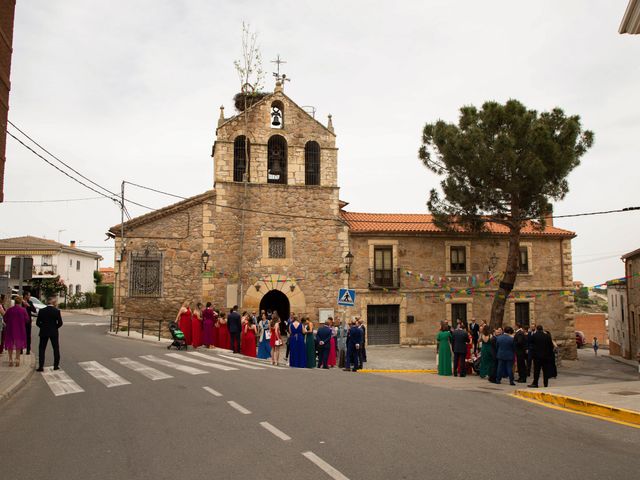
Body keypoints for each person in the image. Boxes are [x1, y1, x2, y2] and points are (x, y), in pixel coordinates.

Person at [35, 296, 63, 371]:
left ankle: (41, 367)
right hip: (53, 332)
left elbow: (37, 323)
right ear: (53, 303)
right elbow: (60, 323)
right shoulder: (56, 311)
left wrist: (43, 327)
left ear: (47, 302)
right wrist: (55, 327)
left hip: (44, 332)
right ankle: (56, 366)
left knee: (42, 349)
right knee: (55, 348)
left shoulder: (42, 311)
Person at [2, 296, 28, 367]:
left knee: (10, 344)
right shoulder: (23, 310)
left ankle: (10, 359)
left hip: (10, 329)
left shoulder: (10, 310)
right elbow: (27, 320)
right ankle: (17, 360)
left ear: (15, 302)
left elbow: (5, 318)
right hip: (20, 329)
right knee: (18, 345)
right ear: (20, 302)